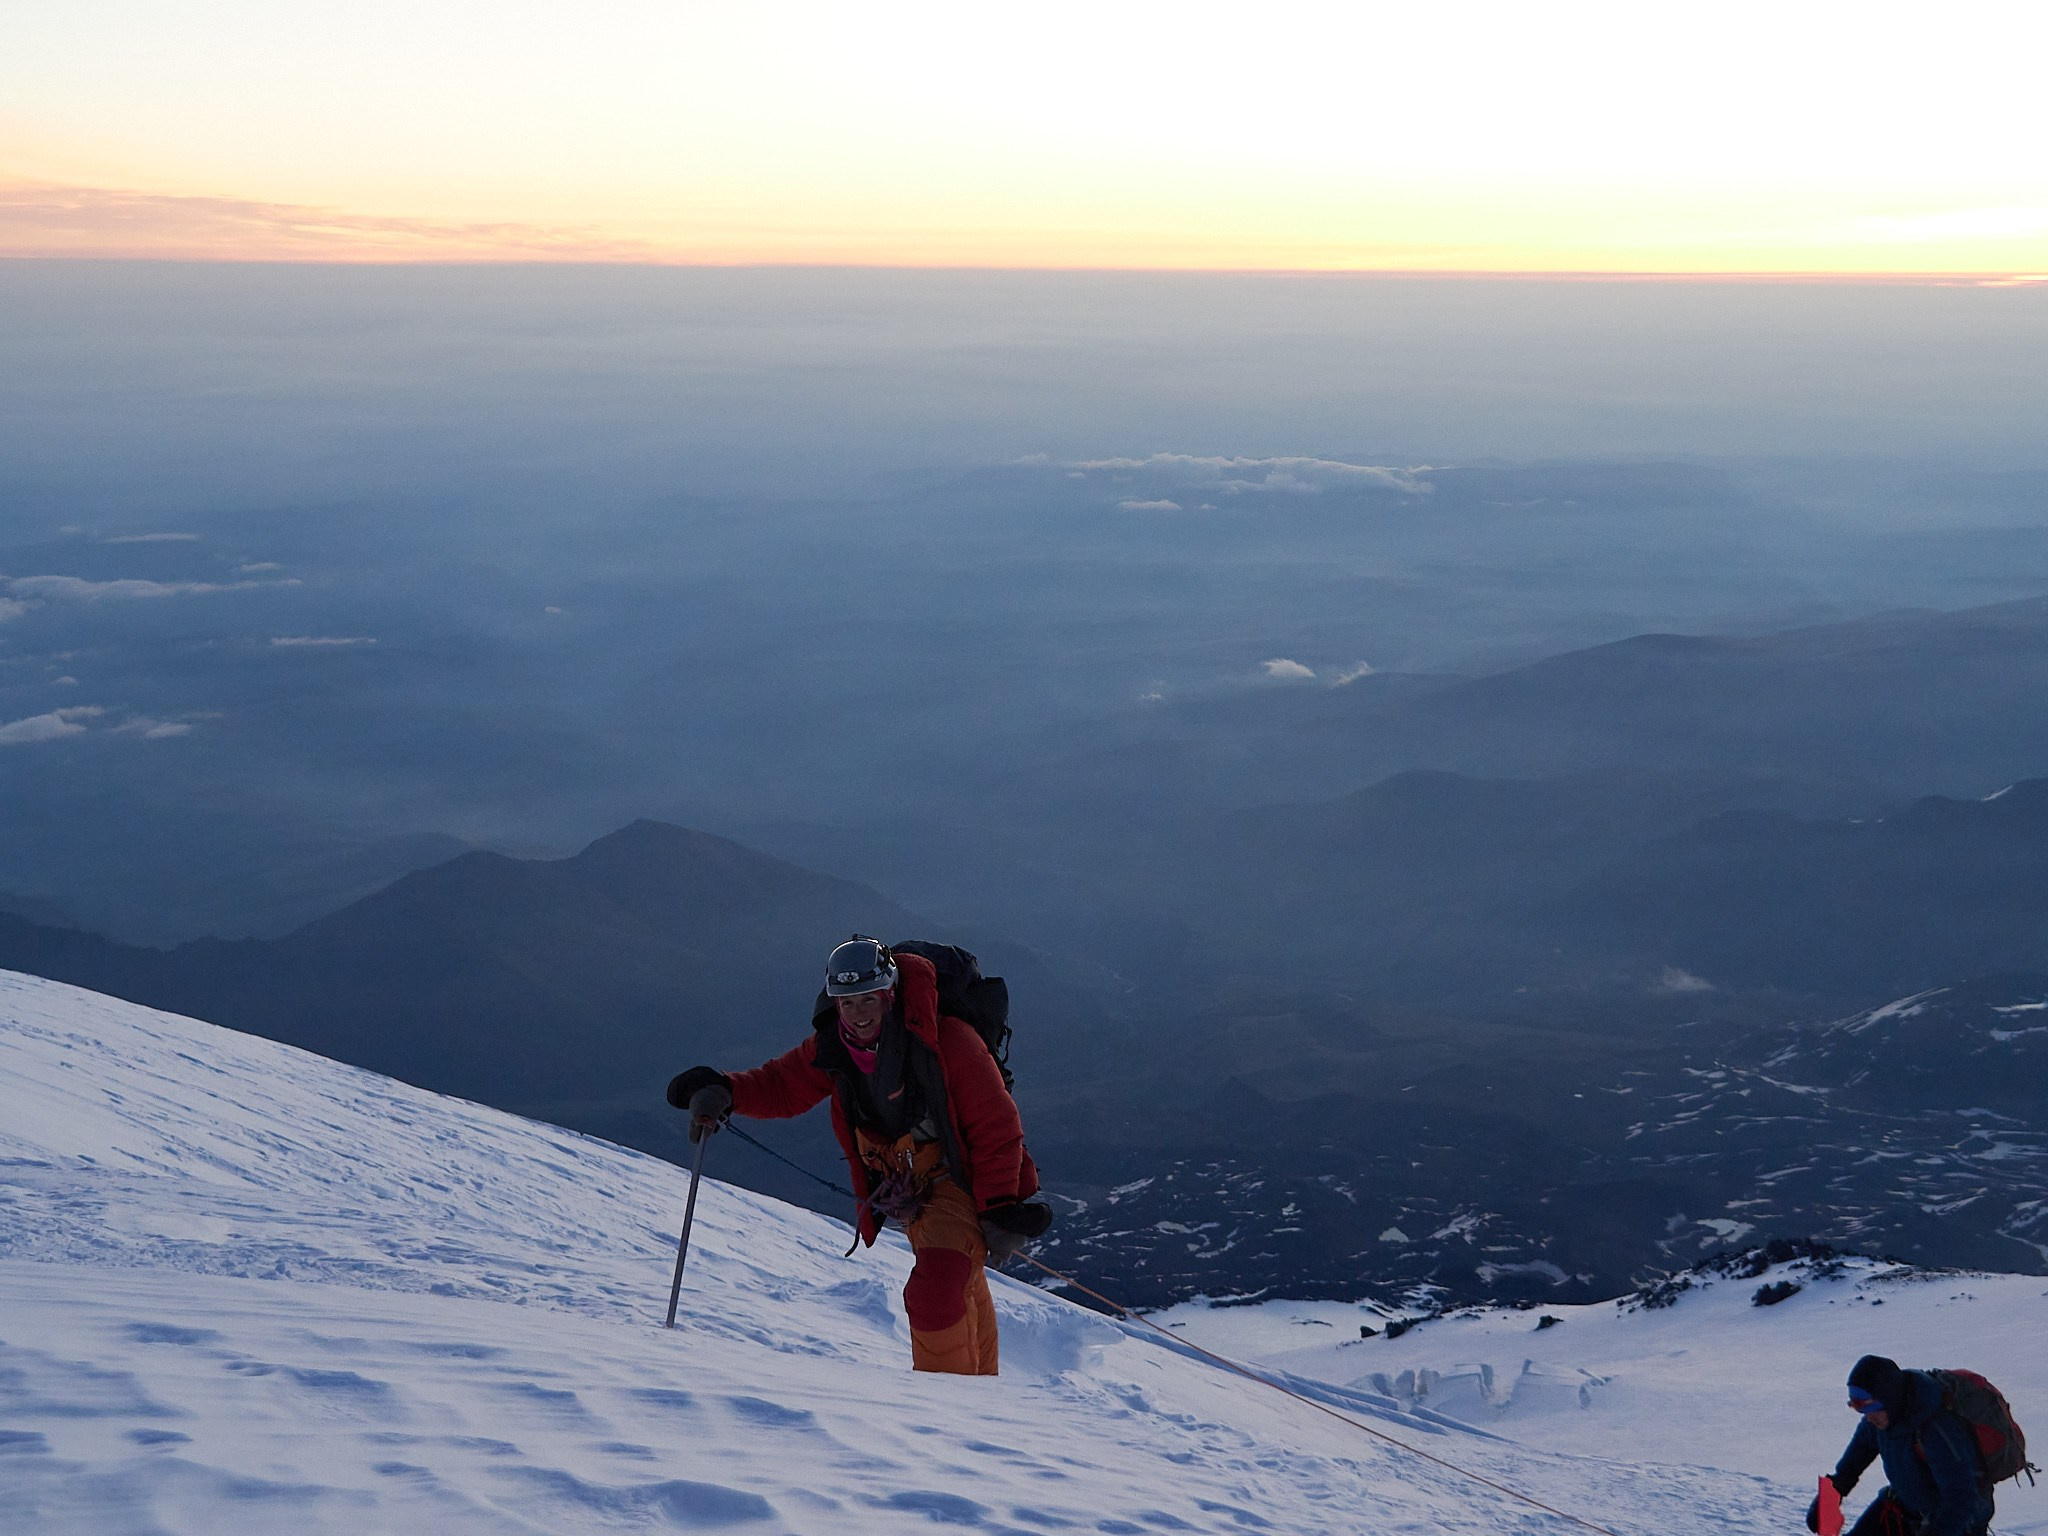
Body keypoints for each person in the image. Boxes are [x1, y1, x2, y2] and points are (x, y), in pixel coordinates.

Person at [666, 936, 1051, 1375]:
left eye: (868, 998)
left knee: (936, 1289)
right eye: (847, 1002)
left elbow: (996, 1126)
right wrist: (725, 1090)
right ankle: (981, 1395)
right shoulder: (835, 1046)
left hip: (955, 1179)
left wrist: (998, 1207)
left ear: (890, 994)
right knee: (956, 1277)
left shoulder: (948, 1039)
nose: (858, 1012)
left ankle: (948, 1405)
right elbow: (782, 1085)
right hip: (910, 1186)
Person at [1808, 1355, 1996, 1536]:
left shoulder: (1936, 1429)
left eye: (1869, 1405)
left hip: (1956, 1524)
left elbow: (1961, 1500)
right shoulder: (1877, 1421)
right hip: (1908, 1507)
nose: (1867, 1416)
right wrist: (1829, 1498)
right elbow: (1849, 1469)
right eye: (1858, 1407)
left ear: (1889, 1398)